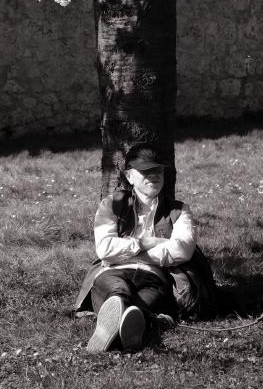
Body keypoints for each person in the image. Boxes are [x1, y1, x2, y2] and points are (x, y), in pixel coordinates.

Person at [74, 144, 216, 353]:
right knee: (115, 291)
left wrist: (124, 252)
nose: (153, 176)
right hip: (113, 273)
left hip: (155, 277)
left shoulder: (180, 210)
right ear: (130, 177)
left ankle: (119, 327)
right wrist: (146, 243)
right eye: (145, 171)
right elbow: (104, 249)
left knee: (144, 303)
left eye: (157, 170)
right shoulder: (111, 205)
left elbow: (182, 251)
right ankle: (132, 323)